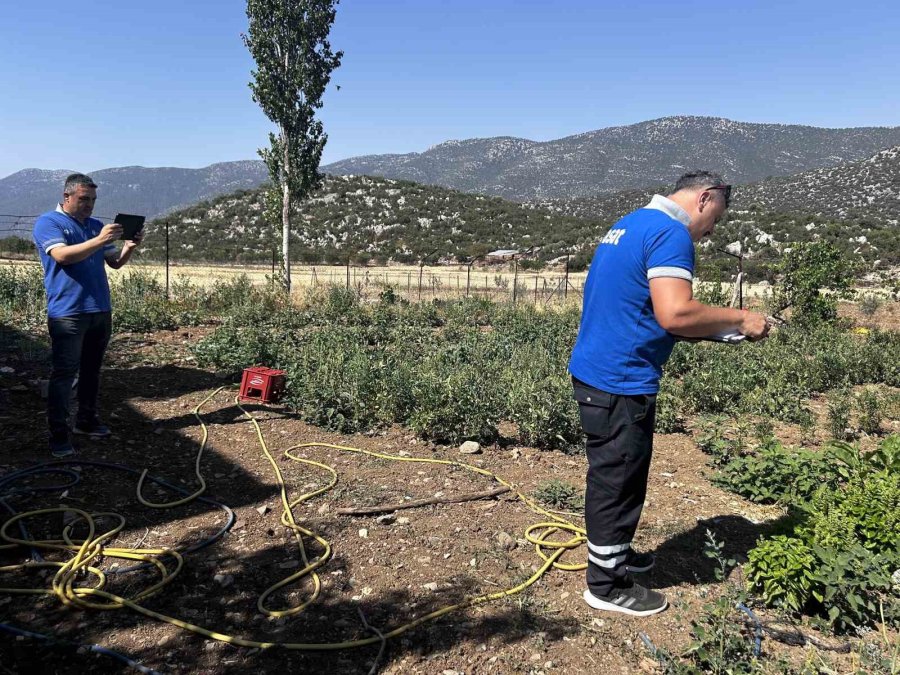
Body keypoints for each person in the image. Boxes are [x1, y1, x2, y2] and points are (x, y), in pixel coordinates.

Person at [568, 171, 770, 616]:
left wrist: (721, 334)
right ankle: (605, 585)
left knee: (617, 472)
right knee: (618, 479)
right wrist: (740, 319)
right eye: (716, 217)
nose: (713, 229)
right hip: (621, 378)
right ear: (705, 198)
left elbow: (644, 311)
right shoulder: (671, 234)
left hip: (598, 368)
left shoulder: (631, 223)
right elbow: (676, 313)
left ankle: (614, 553)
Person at [32, 173, 143, 457]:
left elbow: (114, 263)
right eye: (83, 199)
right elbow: (62, 256)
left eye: (92, 200)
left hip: (99, 309)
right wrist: (100, 238)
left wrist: (128, 247)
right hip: (68, 313)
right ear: (66, 196)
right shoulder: (49, 222)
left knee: (92, 371)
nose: (89, 205)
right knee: (64, 374)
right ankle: (59, 435)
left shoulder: (95, 226)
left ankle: (86, 420)